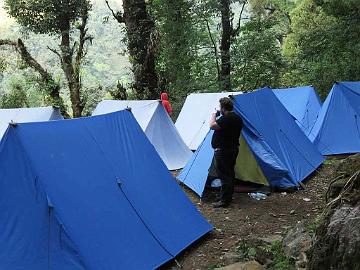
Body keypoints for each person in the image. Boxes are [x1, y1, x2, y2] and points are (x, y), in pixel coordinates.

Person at [209, 97, 243, 208]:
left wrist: (213, 114)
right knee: (229, 174)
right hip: (232, 149)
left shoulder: (227, 119)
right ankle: (225, 196)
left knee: (224, 175)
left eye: (220, 107)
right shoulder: (237, 118)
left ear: (223, 108)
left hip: (224, 151)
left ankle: (224, 201)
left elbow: (212, 125)